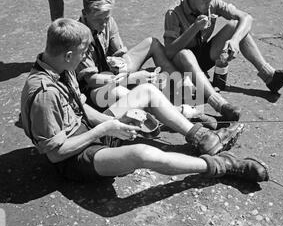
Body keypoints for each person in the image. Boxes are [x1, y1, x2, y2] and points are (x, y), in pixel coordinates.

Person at [20, 18, 268, 183]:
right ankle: (220, 165)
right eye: (83, 53)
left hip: (88, 129)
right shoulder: (44, 93)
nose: (86, 58)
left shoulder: (61, 67)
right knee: (142, 153)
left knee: (147, 91)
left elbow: (80, 107)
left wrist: (114, 122)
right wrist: (106, 127)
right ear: (68, 54)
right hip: (75, 157)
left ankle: (202, 137)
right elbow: (55, 154)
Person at [163, 0, 283, 121]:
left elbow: (246, 17)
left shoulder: (211, 3)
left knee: (236, 25)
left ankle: (270, 76)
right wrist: (194, 28)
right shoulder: (173, 13)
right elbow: (169, 52)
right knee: (185, 54)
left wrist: (235, 40)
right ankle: (220, 104)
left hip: (201, 59)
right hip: (180, 66)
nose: (208, 3)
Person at [77, 0, 213, 124]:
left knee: (152, 43)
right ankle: (179, 112)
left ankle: (182, 87)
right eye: (99, 20)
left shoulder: (107, 21)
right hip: (94, 89)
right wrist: (132, 78)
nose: (105, 24)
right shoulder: (79, 38)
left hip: (110, 72)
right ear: (85, 13)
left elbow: (120, 53)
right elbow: (92, 80)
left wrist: (122, 65)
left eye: (107, 18)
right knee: (119, 92)